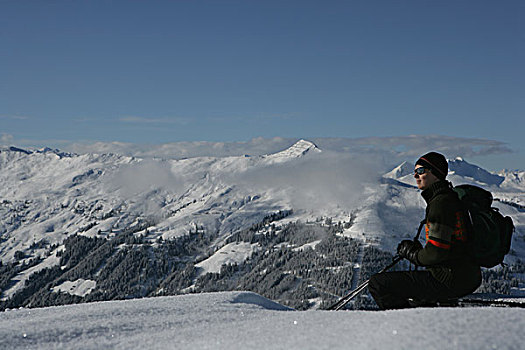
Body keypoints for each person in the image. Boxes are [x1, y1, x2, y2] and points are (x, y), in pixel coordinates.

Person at [368, 152, 482, 309]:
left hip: (448, 280)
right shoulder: (448, 198)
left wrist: (413, 254)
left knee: (378, 284)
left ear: (435, 173)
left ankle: (405, 325)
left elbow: (436, 252)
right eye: (415, 171)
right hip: (465, 277)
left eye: (420, 171)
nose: (415, 175)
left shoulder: (441, 203)